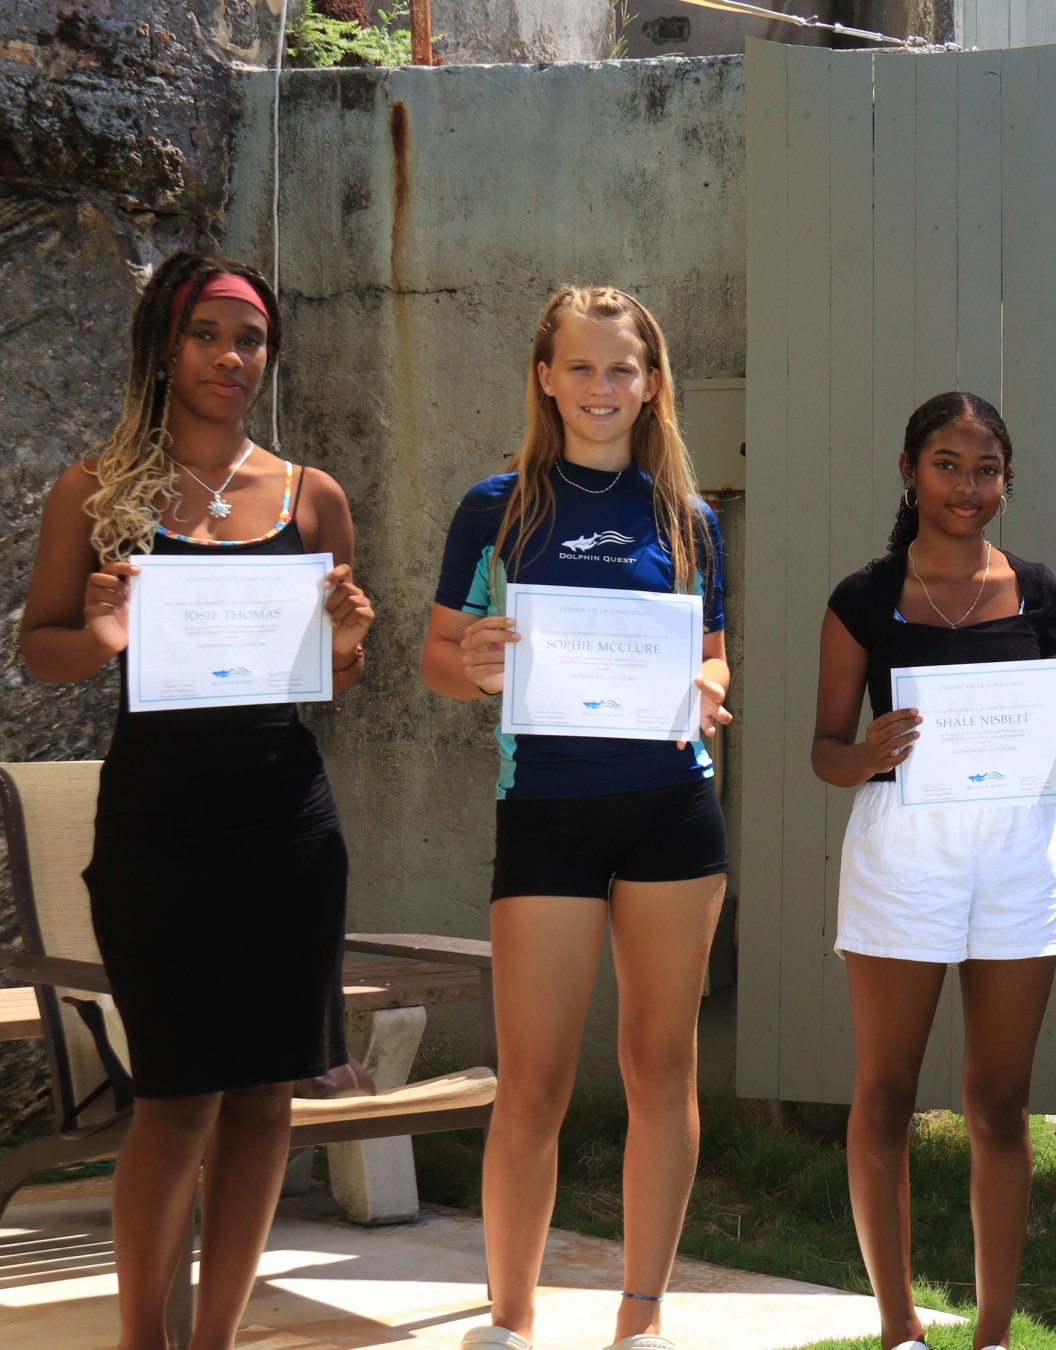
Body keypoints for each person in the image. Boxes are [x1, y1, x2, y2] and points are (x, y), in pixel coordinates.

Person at [22, 253, 375, 1350]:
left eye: (250, 339)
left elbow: (331, 680)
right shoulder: (96, 490)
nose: (232, 357)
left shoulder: (313, 495)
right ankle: (144, 1340)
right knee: (174, 1098)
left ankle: (215, 1340)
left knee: (267, 1094)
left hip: (286, 826)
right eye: (208, 336)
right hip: (158, 829)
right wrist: (103, 635)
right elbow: (42, 654)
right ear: (164, 348)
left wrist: (349, 643)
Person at [420, 285, 732, 1350]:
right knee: (533, 1085)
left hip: (671, 816)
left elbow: (713, 657)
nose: (603, 387)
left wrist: (709, 688)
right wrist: (476, 662)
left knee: (662, 1069)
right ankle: (509, 1323)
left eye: (622, 368)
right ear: (546, 378)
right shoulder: (495, 508)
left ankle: (640, 1321)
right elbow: (439, 659)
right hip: (547, 814)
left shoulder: (689, 518)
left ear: (651, 384)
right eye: (583, 367)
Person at [812, 391, 1056, 1350]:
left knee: (1001, 1106)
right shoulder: (863, 597)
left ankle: (994, 1335)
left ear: (1006, 480)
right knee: (886, 1096)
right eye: (947, 464)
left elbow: (1047, 724)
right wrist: (869, 753)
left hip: (1019, 856)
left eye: (986, 469)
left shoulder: (1040, 592)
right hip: (905, 853)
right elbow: (825, 751)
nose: (967, 486)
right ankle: (899, 1327)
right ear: (910, 471)